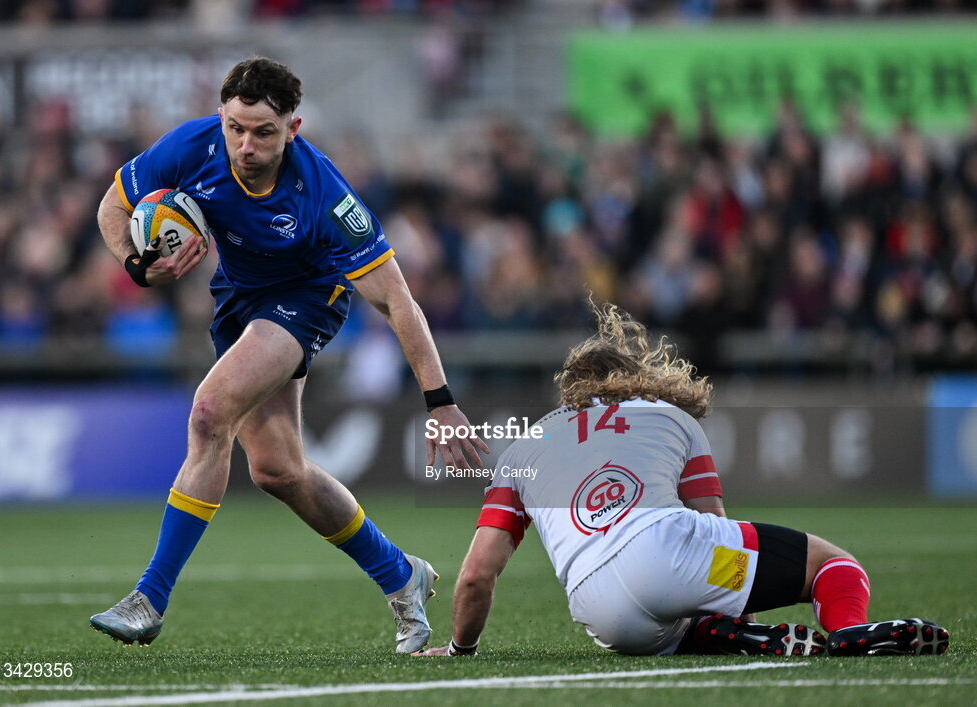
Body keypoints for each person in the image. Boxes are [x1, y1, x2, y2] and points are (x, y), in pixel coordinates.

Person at [89, 57, 488, 652]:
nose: (245, 145)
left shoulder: (324, 194)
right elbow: (112, 208)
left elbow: (398, 299)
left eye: (263, 132)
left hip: (306, 298)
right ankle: (402, 576)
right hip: (238, 299)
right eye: (235, 128)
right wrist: (135, 265)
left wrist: (439, 400)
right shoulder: (190, 146)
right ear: (221, 117)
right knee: (277, 469)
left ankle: (149, 598)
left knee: (208, 413)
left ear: (293, 128)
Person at [416, 303, 949, 658]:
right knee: (834, 564)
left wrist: (460, 651)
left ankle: (731, 636)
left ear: (569, 394)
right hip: (669, 551)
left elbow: (474, 578)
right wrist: (736, 593)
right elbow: (715, 525)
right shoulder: (667, 416)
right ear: (634, 376)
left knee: (676, 622)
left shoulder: (523, 448)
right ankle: (847, 628)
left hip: (604, 617)